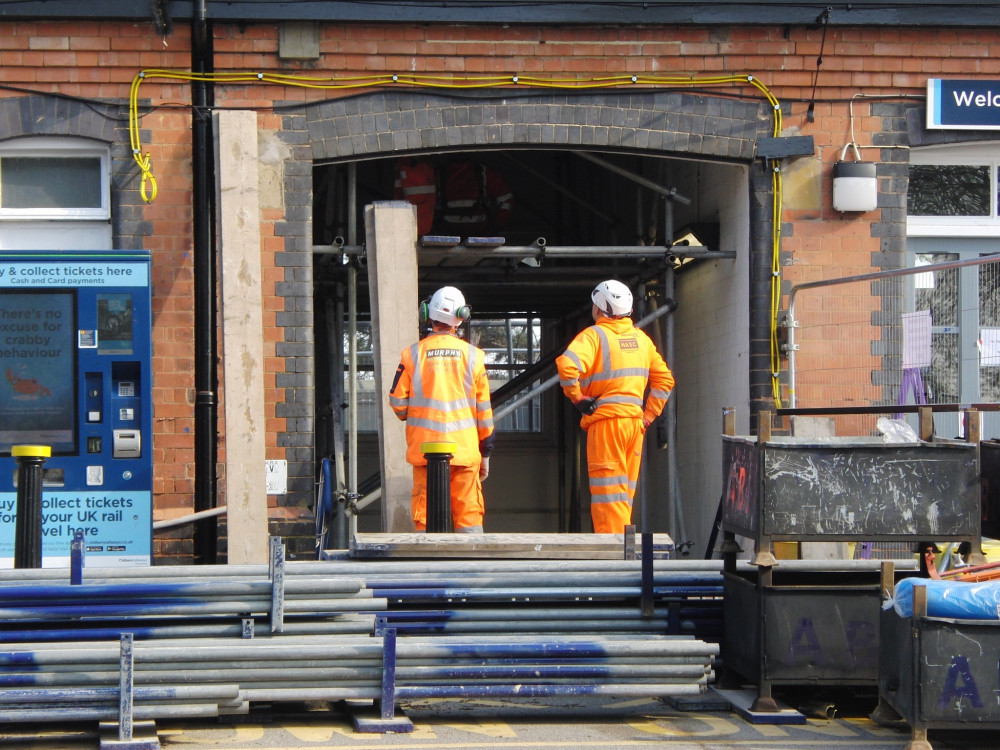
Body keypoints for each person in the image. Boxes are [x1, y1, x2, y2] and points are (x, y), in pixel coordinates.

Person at [556, 280, 675, 534]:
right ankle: (625, 555)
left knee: (609, 497)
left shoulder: (594, 336)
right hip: (634, 426)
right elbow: (665, 380)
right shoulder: (641, 340)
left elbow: (567, 366)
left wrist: (577, 398)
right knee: (623, 497)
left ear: (599, 308)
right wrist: (647, 416)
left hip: (607, 425)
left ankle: (615, 559)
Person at [388, 286, 495, 532]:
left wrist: (410, 414)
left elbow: (397, 403)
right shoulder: (474, 357)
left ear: (428, 313)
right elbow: (484, 413)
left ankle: (427, 568)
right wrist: (486, 452)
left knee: (425, 522)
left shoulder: (412, 355)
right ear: (461, 316)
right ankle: (469, 568)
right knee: (469, 520)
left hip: (426, 452)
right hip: (465, 453)